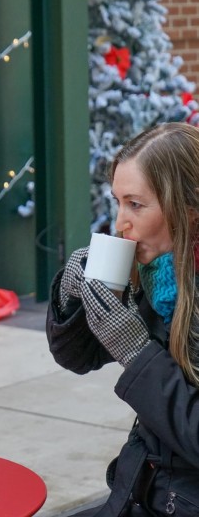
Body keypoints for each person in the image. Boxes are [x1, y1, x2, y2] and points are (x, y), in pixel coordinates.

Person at [46, 122, 199, 516]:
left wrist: (136, 351)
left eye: (135, 204)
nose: (119, 224)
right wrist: (72, 296)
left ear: (190, 212)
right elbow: (79, 359)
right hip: (146, 491)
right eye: (117, 202)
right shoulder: (160, 275)